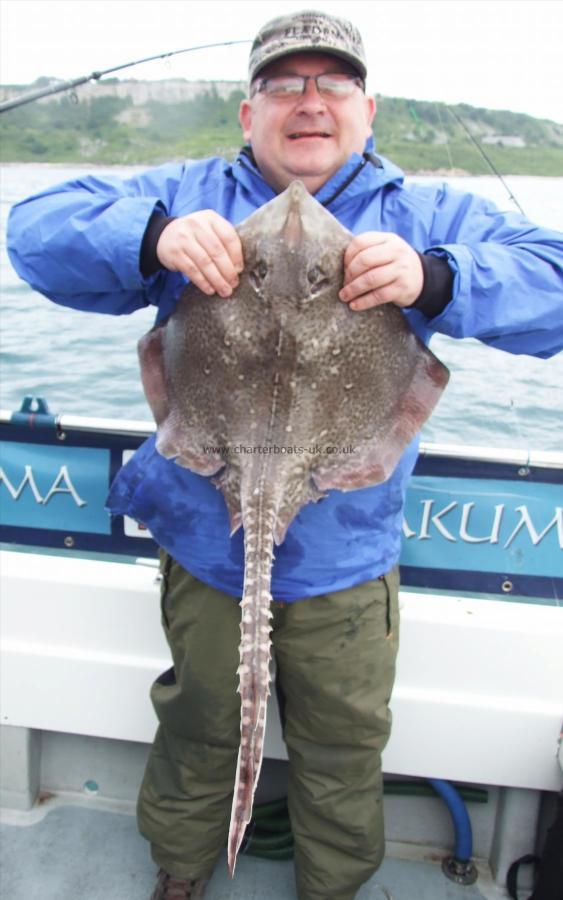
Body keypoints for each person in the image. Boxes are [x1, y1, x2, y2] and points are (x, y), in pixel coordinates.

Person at [7, 10, 563, 900]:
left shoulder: (419, 212)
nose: (309, 102)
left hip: (346, 551)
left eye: (331, 83)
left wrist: (439, 275)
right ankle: (181, 871)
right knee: (197, 720)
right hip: (202, 535)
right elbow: (34, 229)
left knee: (343, 741)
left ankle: (330, 888)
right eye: (283, 85)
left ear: (365, 108)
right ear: (247, 113)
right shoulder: (190, 190)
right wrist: (149, 237)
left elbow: (556, 280)